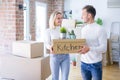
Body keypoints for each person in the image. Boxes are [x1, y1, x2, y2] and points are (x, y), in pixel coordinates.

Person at [78, 5, 107, 80]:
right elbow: (83, 44)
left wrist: (89, 49)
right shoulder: (83, 29)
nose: (81, 17)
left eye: (83, 15)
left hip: (95, 64)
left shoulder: (100, 29)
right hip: (83, 63)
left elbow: (104, 48)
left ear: (89, 15)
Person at [44, 11, 70, 80]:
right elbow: (47, 43)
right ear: (53, 19)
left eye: (61, 18)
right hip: (55, 56)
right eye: (58, 18)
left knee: (65, 78)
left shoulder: (65, 29)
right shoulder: (48, 31)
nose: (60, 20)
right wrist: (50, 47)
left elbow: (68, 41)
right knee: (55, 78)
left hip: (65, 56)